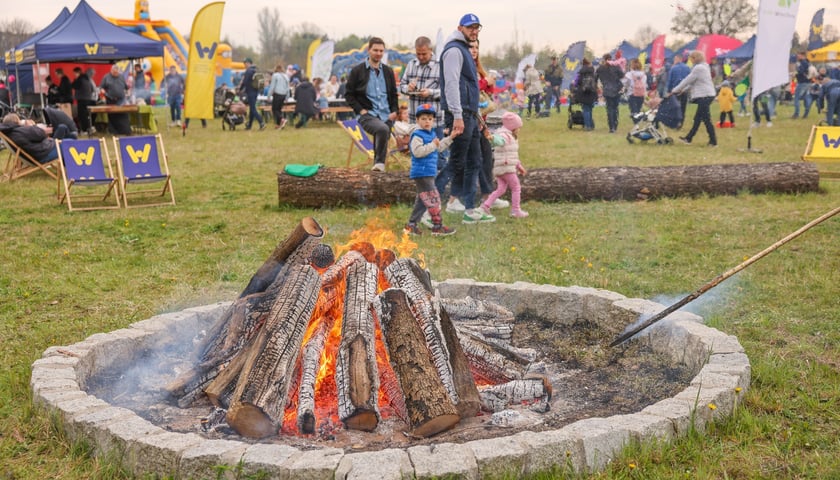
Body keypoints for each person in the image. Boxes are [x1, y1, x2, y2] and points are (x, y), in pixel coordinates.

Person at [436, 13, 495, 224]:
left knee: (474, 161)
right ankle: (427, 208)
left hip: (469, 114)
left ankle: (469, 210)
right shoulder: (453, 50)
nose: (475, 31)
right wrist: (458, 115)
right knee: (456, 163)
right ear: (460, 28)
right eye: (471, 27)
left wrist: (475, 116)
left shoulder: (463, 50)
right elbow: (451, 85)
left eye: (477, 27)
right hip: (459, 115)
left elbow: (469, 88)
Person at [344, 37, 399, 172]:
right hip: (368, 115)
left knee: (382, 134)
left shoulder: (388, 71)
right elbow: (349, 94)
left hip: (387, 114)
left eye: (381, 51)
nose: (378, 53)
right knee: (382, 130)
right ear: (369, 50)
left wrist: (395, 111)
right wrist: (360, 110)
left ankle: (377, 171)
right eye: (375, 50)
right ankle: (380, 164)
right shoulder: (357, 71)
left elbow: (393, 94)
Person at [404, 103, 456, 237]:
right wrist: (433, 144)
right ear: (417, 120)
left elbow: (438, 148)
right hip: (422, 172)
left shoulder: (430, 133)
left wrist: (450, 138)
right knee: (433, 198)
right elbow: (418, 152)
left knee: (422, 200)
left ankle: (411, 225)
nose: (427, 121)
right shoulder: (417, 135)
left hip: (428, 172)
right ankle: (437, 226)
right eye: (423, 119)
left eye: (430, 119)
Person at [479, 111, 528, 218]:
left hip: (502, 167)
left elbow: (512, 155)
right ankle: (516, 210)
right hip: (506, 167)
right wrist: (492, 138)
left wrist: (519, 167)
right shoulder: (505, 135)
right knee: (516, 187)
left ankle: (485, 205)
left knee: (501, 189)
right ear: (512, 127)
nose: (519, 130)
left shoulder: (509, 136)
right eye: (518, 127)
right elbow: (499, 141)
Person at [671, 50, 717, 147]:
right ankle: (689, 138)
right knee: (699, 118)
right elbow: (694, 82)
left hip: (704, 95)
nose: (690, 60)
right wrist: (683, 90)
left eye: (691, 58)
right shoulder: (704, 66)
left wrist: (675, 90)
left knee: (706, 119)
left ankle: (713, 141)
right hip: (707, 94)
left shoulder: (698, 68)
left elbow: (688, 80)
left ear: (695, 58)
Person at [99, 64, 132, 135]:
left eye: (117, 73)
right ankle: (113, 131)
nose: (115, 74)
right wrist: (103, 91)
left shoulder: (121, 77)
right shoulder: (106, 77)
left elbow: (126, 87)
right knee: (112, 116)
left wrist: (128, 92)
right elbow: (101, 87)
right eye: (114, 72)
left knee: (122, 114)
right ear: (111, 71)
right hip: (110, 99)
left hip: (121, 100)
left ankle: (125, 130)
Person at [596, 53, 624, 133]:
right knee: (615, 108)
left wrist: (599, 86)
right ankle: (615, 124)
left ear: (604, 59)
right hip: (616, 89)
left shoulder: (600, 68)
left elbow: (596, 77)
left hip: (607, 89)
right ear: (611, 59)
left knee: (609, 109)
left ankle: (611, 127)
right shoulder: (616, 66)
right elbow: (622, 75)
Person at [238, 58, 266, 131]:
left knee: (253, 109)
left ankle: (261, 122)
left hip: (250, 92)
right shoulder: (255, 70)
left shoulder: (248, 71)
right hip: (255, 91)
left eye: (245, 63)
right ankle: (249, 125)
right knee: (251, 109)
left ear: (248, 63)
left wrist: (240, 89)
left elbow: (245, 82)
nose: (244, 65)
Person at [666, 54, 690, 128]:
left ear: (676, 59)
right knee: (683, 107)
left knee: (674, 107)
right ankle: (681, 123)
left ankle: (674, 122)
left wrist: (668, 91)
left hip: (675, 90)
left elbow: (670, 80)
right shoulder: (687, 68)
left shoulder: (673, 68)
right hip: (684, 90)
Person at [71, 67, 97, 135]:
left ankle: (85, 130)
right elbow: (92, 89)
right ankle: (89, 128)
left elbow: (73, 86)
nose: (74, 75)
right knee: (86, 115)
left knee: (82, 115)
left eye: (74, 73)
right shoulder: (87, 79)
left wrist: (74, 80)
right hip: (88, 99)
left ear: (77, 73)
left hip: (82, 99)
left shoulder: (80, 79)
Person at [573, 58, 597, 131]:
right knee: (589, 109)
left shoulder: (580, 73)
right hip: (592, 92)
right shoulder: (593, 72)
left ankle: (587, 126)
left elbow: (576, 83)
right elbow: (595, 81)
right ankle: (590, 125)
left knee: (586, 109)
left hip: (583, 92)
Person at [267, 63, 290, 129]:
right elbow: (288, 87)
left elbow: (272, 86)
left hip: (277, 94)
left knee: (274, 109)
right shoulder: (286, 76)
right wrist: (287, 97)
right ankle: (278, 124)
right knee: (279, 109)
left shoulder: (275, 75)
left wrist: (269, 95)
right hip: (284, 94)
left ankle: (282, 119)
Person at [792, 51, 813, 119]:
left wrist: (796, 72)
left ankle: (796, 114)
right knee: (805, 98)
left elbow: (801, 71)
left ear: (803, 55)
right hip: (808, 82)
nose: (797, 57)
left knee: (796, 98)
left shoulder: (803, 62)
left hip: (802, 82)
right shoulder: (808, 62)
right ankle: (806, 114)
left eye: (798, 55)